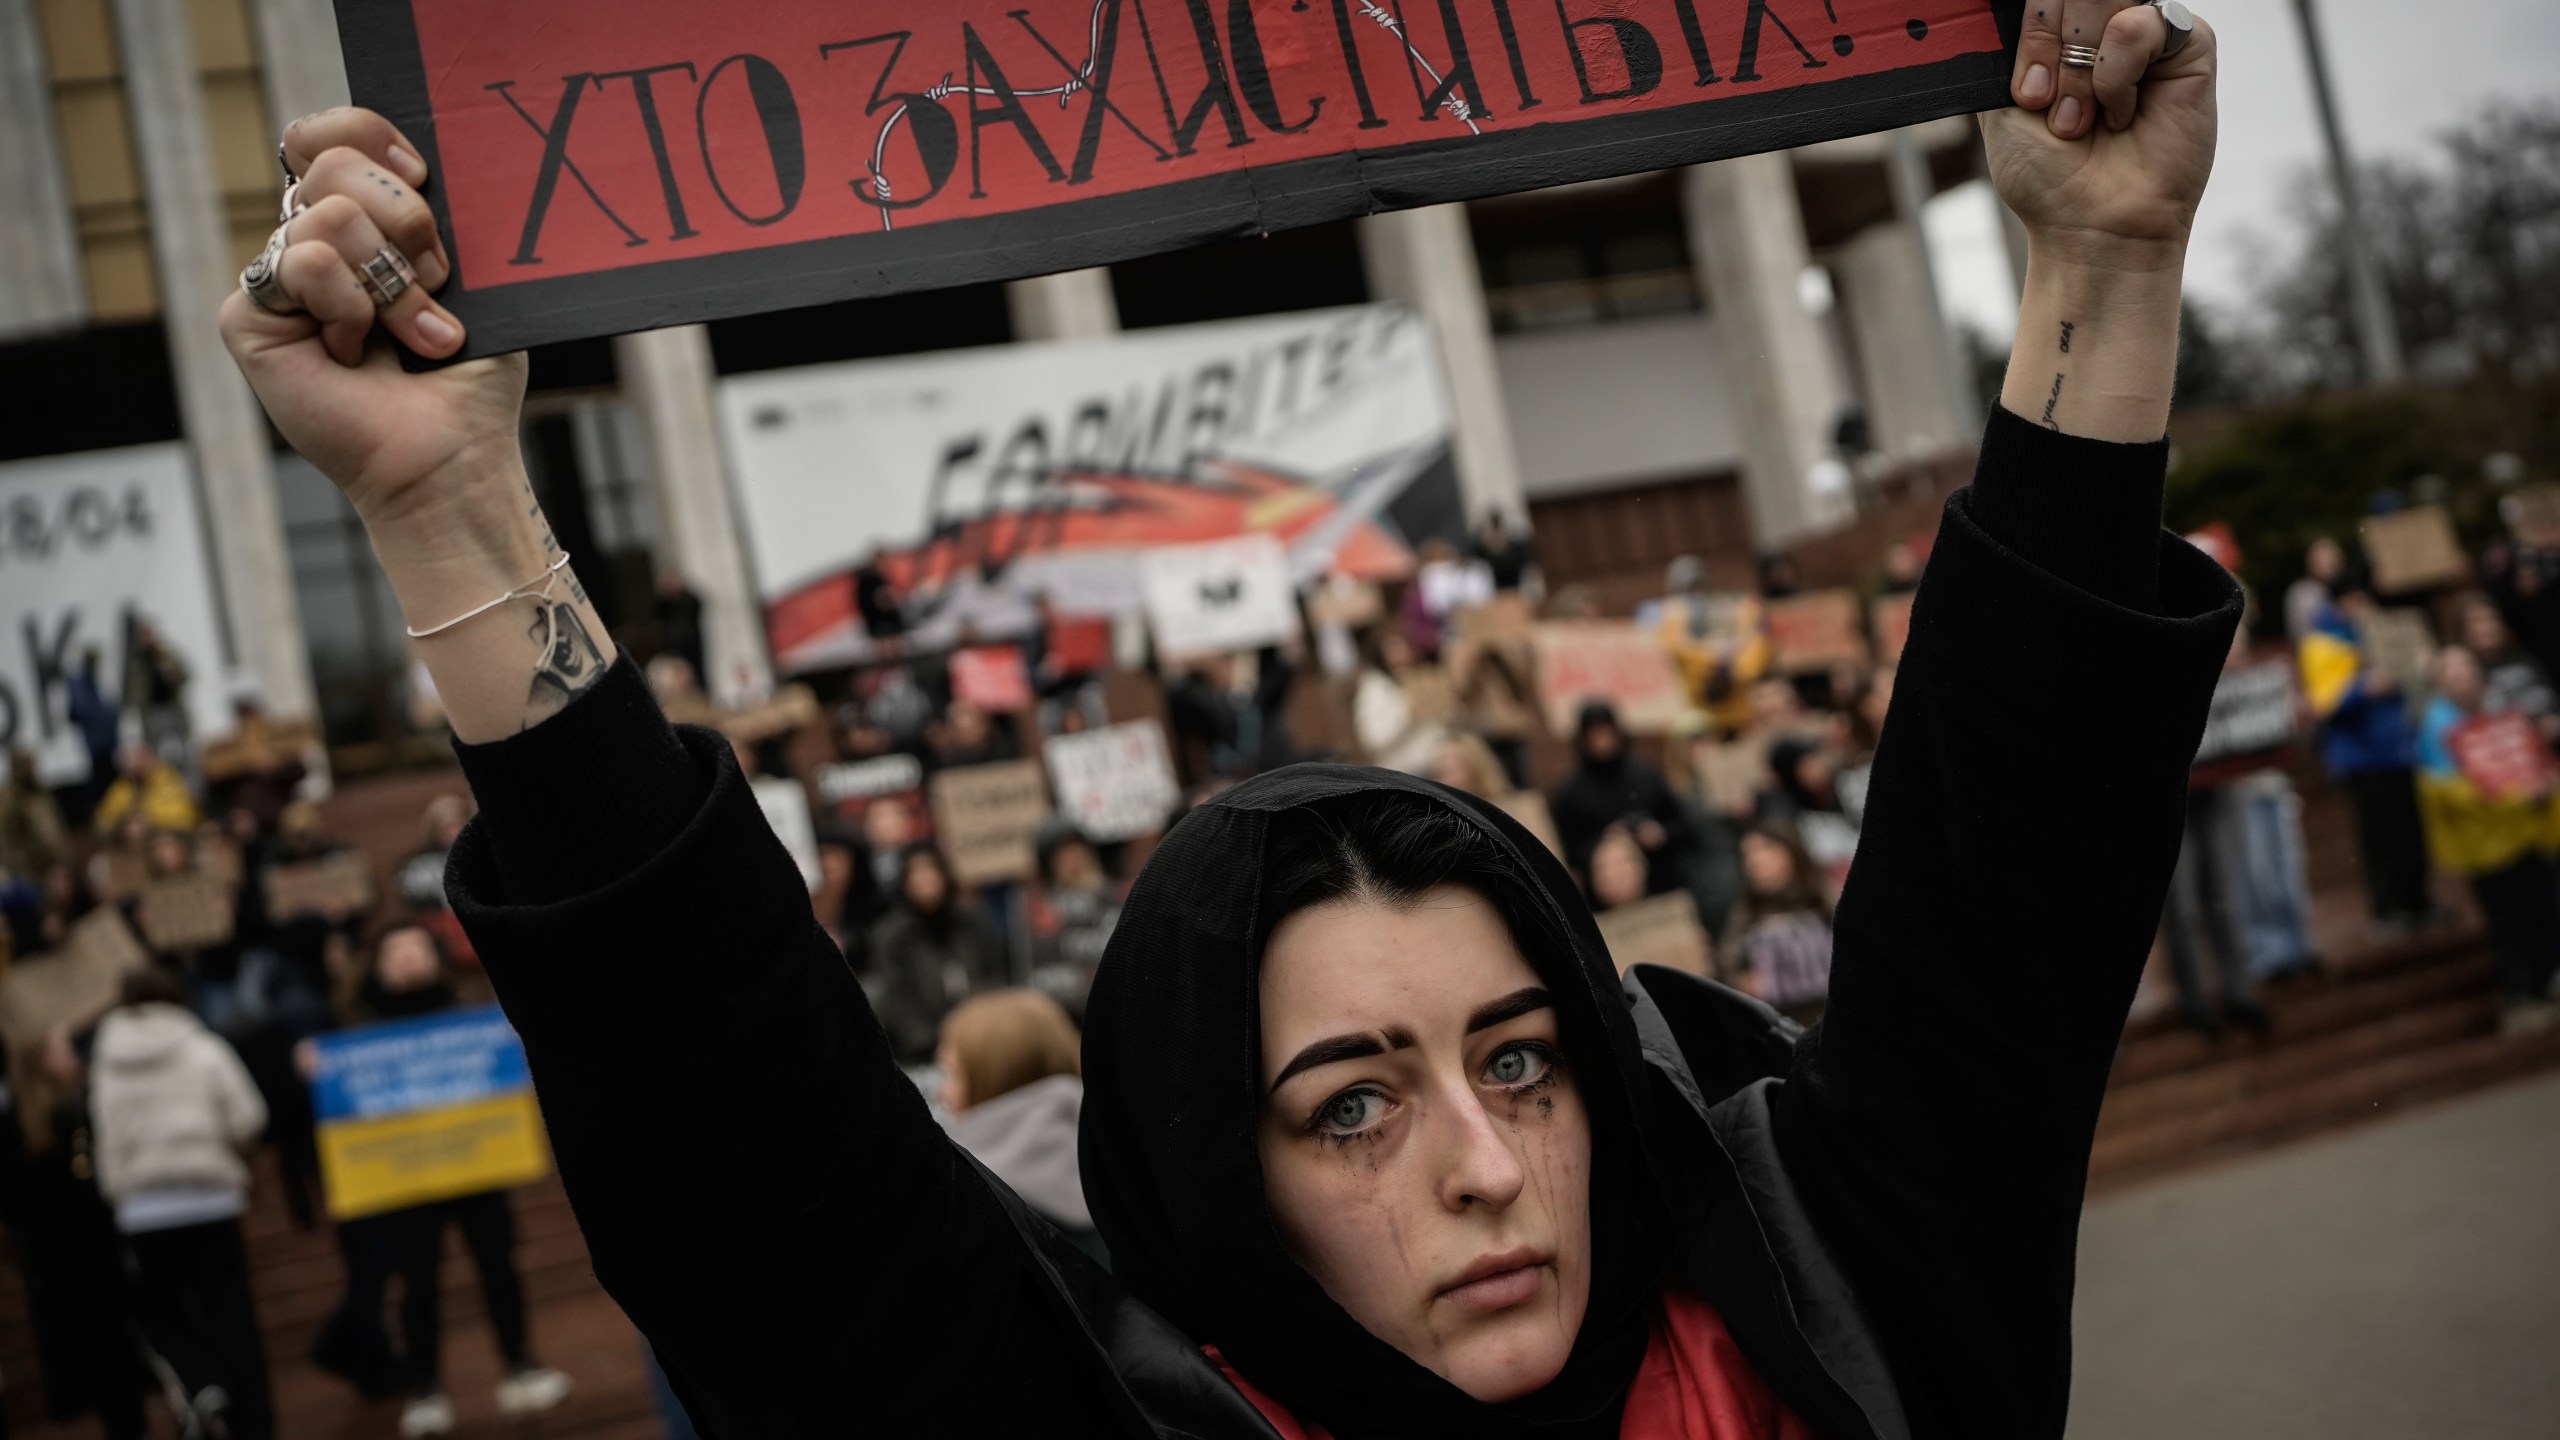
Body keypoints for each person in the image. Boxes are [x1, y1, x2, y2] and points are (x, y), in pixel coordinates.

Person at [227, 15, 2231, 1431]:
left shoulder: (1845, 1319)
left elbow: (2005, 882)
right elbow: (752, 1146)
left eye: (1523, 1063)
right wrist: (448, 509)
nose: (1483, 1167)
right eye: (1347, 1103)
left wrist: (2102, 260)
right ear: (1211, 1178)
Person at [353, 925, 573, 1435]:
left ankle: (521, 1365)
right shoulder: (356, 1028)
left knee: (499, 1268)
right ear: (378, 964)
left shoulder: (471, 1011)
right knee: (417, 1284)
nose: (407, 957)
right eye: (394, 950)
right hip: (403, 1177)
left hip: (476, 1167)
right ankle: (426, 1386)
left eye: (415, 947)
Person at [87, 966, 275, 1440]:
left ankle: (204, 1386)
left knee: (161, 1314)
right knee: (231, 1313)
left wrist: (118, 1194)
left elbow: (103, 1135)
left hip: (142, 1208)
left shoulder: (106, 1061)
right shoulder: (203, 1047)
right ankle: (253, 1421)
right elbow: (249, 1117)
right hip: (212, 1198)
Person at [2414, 647, 2560, 1027]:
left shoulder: (2504, 709)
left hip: (2530, 832)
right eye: (2452, 672)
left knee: (2543, 907)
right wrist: (2510, 795)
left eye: (2467, 668)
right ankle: (2521, 995)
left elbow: (2532, 753)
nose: (2462, 677)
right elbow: (2445, 789)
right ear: (2441, 682)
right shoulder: (2436, 726)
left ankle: (2549, 980)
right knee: (2506, 919)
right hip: (2486, 844)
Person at [2297, 591, 2437, 934]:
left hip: (2400, 750)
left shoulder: (2383, 634)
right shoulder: (2321, 644)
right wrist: (2363, 689)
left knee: (2411, 833)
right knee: (2380, 839)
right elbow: (2323, 701)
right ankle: (2388, 911)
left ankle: (2419, 902)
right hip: (2361, 759)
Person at [934, 989, 1096, 1254]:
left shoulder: (969, 1199)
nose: (942, 1092)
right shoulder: (1116, 1166)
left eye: (952, 1073)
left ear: (992, 1079)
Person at [866, 844, 1008, 1063]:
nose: (925, 878)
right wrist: (933, 1044)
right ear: (904, 881)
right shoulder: (890, 936)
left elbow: (995, 976)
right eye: (915, 871)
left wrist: (982, 1032)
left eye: (931, 869)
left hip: (985, 1039)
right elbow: (896, 998)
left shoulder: (974, 921)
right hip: (924, 1053)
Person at [1550, 701, 1690, 899]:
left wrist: (1659, 834)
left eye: (1606, 732)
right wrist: (1606, 841)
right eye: (1594, 734)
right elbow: (1568, 850)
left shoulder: (1647, 775)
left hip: (1662, 886)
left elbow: (1682, 825)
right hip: (1605, 900)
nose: (1602, 741)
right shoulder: (1569, 793)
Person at [1726, 823, 1836, 1021]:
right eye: (1747, 854)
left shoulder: (1825, 898)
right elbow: (1729, 966)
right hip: (1784, 1026)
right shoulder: (1746, 912)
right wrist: (1742, 983)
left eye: (1765, 848)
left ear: (1791, 852)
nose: (1754, 860)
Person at [92, 742, 200, 837]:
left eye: (137, 758)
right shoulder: (122, 786)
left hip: (167, 837)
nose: (132, 764)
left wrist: (149, 821)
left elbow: (185, 817)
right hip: (130, 841)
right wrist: (123, 823)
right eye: (127, 760)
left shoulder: (168, 779)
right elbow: (102, 820)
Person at [0, 746, 66, 880]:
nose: (31, 770)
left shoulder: (40, 791)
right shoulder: (9, 800)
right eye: (26, 766)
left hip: (54, 866)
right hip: (27, 871)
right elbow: (6, 839)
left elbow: (55, 824)